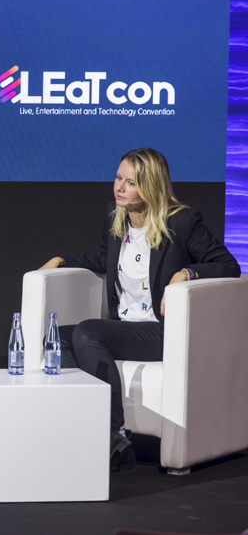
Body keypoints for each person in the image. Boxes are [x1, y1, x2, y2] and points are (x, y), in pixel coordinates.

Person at [39, 148, 240, 472]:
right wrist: (63, 260)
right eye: (118, 178)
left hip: (162, 331)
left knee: (88, 331)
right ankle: (83, 429)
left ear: (150, 187)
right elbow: (106, 259)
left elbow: (228, 265)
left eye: (130, 183)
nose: (119, 187)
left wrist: (187, 273)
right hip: (126, 326)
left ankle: (112, 437)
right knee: (56, 338)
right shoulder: (115, 215)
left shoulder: (182, 222)